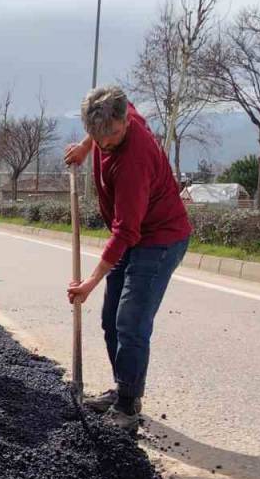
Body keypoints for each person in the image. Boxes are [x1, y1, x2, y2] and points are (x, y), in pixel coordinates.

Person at [64, 86, 192, 431]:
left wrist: (91, 281)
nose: (106, 143)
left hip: (159, 238)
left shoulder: (134, 159)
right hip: (133, 237)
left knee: (130, 322)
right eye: (97, 136)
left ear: (125, 121)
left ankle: (128, 405)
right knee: (110, 320)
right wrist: (84, 147)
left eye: (113, 134)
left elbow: (126, 232)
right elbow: (99, 130)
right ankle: (123, 388)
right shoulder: (110, 121)